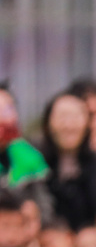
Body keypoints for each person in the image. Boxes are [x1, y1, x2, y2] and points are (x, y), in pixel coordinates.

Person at [40, 92, 96, 230]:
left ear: (88, 123)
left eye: (75, 117)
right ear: (47, 124)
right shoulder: (34, 166)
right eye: (62, 117)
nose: (68, 125)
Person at [0, 83, 52, 219]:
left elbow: (46, 210)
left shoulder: (30, 157)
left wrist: (35, 214)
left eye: (8, 109)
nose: (4, 118)